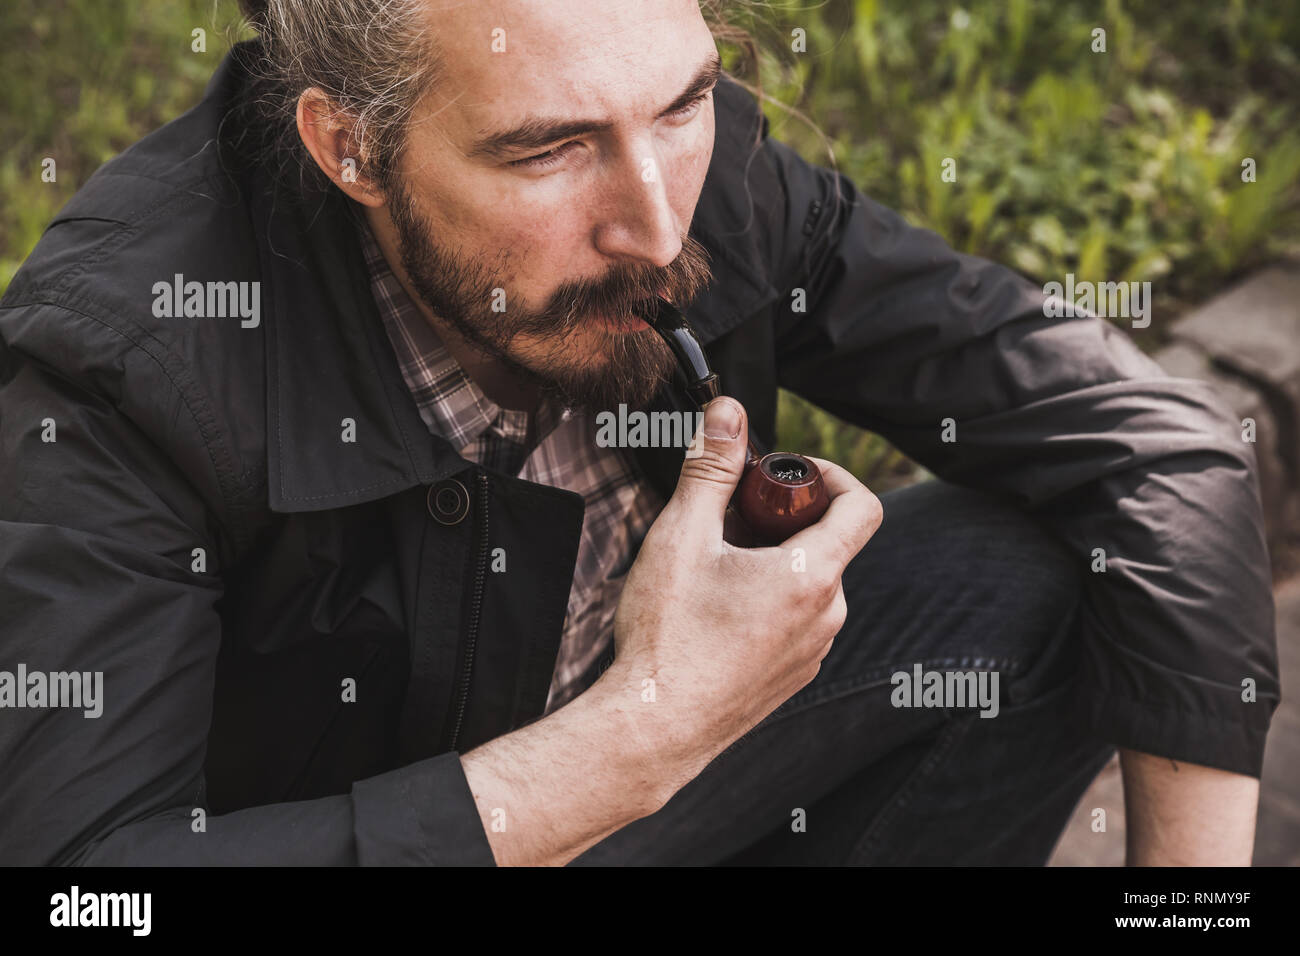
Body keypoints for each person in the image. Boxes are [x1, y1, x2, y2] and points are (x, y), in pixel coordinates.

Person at [0, 0, 1278, 866]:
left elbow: (1155, 446)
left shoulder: (697, 179)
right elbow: (92, 887)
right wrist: (638, 734)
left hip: (657, 778)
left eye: (683, 102)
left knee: (1025, 577)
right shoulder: (119, 367)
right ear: (352, 148)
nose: (661, 229)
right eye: (548, 149)